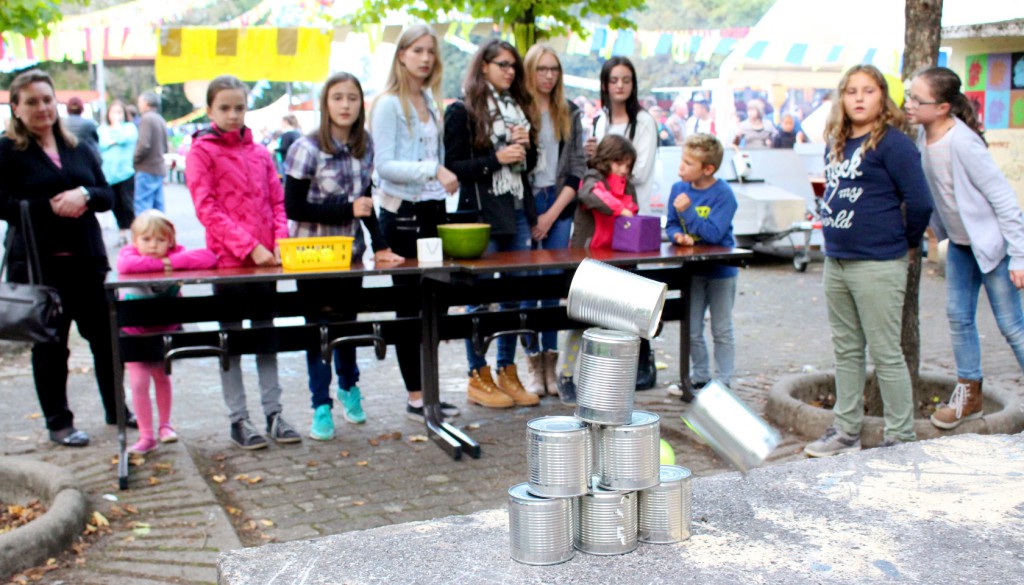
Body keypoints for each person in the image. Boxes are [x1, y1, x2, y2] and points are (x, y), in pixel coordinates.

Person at [803, 65, 933, 458]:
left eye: (869, 91)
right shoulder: (836, 143)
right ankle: (846, 430)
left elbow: (921, 202)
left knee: (885, 352)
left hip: (878, 262)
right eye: (851, 91)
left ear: (882, 98)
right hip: (837, 259)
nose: (859, 98)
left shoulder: (894, 145)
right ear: (842, 98)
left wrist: (906, 244)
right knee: (846, 350)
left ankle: (900, 437)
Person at [0, 69, 134, 447]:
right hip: (41, 268)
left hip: (86, 261)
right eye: (32, 102)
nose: (42, 108)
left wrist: (86, 196)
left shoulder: (78, 147)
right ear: (16, 107)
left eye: (46, 99)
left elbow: (107, 195)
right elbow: (4, 203)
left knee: (106, 340)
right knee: (50, 345)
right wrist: (53, 206)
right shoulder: (7, 151)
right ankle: (59, 423)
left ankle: (117, 409)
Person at [285, 71, 404, 440]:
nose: (345, 105)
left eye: (352, 98)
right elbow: (293, 206)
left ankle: (349, 388)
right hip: (311, 256)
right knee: (317, 332)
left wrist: (381, 246)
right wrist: (346, 208)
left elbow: (366, 203)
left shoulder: (364, 146)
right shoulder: (305, 148)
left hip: (349, 256)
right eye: (338, 98)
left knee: (347, 329)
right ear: (326, 103)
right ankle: (320, 405)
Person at [186, 75, 301, 450]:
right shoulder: (201, 152)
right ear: (210, 111)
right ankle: (239, 418)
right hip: (230, 263)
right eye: (225, 108)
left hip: (266, 262)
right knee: (231, 340)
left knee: (265, 335)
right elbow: (207, 208)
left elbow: (278, 202)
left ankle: (274, 412)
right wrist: (249, 247)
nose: (233, 115)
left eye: (239, 107)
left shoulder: (260, 154)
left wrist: (281, 242)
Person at [905, 66, 1024, 430]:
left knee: (1011, 325)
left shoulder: (964, 142)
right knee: (958, 317)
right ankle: (969, 395)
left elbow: (1004, 201)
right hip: (960, 246)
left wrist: (1019, 255)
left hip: (993, 246)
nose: (909, 104)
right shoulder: (924, 139)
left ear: (942, 107)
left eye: (916, 99)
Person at [370, 24, 463, 422]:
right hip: (401, 213)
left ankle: (431, 390)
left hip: (432, 211)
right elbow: (384, 166)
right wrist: (433, 170)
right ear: (401, 55)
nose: (425, 58)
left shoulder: (429, 101)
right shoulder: (389, 104)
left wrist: (439, 180)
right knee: (409, 306)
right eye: (417, 50)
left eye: (430, 51)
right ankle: (416, 394)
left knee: (436, 303)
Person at [444, 38, 540, 410]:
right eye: (502, 64)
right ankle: (477, 373)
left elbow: (526, 171)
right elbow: (454, 169)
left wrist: (524, 149)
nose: (509, 71)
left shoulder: (518, 110)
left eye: (513, 65)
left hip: (515, 212)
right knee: (478, 300)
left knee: (515, 298)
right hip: (481, 216)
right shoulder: (462, 111)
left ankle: (507, 370)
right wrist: (497, 158)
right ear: (482, 65)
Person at [581, 56, 659, 391]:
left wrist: (618, 172)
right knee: (606, 300)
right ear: (605, 83)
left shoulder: (643, 121)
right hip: (605, 221)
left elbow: (639, 170)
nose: (620, 86)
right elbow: (594, 174)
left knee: (633, 295)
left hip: (630, 213)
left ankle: (642, 359)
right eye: (614, 80)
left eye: (626, 80)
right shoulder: (600, 119)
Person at [116, 211, 217, 454]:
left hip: (164, 330)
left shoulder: (176, 253)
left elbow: (207, 258)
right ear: (135, 240)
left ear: (170, 241)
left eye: (160, 240)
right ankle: (146, 435)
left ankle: (165, 426)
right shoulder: (129, 254)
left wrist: (171, 260)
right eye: (147, 239)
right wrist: (166, 265)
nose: (153, 245)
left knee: (162, 376)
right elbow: (126, 265)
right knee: (139, 382)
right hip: (134, 331)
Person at [519, 43, 587, 399]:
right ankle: (533, 361)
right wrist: (534, 214)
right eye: (541, 69)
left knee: (551, 287)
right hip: (526, 201)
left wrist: (550, 214)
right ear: (530, 71)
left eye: (554, 70)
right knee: (528, 286)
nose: (548, 76)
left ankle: (552, 362)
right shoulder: (519, 110)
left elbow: (577, 169)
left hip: (558, 202)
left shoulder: (569, 112)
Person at [665, 134, 739, 402]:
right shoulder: (677, 188)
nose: (681, 168)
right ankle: (699, 376)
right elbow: (671, 223)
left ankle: (724, 382)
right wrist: (677, 236)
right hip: (691, 271)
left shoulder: (723, 195)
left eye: (688, 163)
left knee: (721, 328)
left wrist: (689, 213)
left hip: (721, 271)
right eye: (682, 161)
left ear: (707, 169)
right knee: (692, 328)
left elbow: (714, 234)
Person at [572, 134, 638, 250]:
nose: (623, 170)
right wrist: (620, 210)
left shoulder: (628, 186)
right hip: (589, 253)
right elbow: (589, 194)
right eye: (618, 164)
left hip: (619, 252)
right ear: (605, 158)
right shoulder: (593, 177)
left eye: (627, 166)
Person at [99, 99, 138, 245]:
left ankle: (134, 233)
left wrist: (115, 131)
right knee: (115, 206)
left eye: (119, 112)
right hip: (109, 175)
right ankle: (122, 233)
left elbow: (124, 138)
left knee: (127, 204)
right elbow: (102, 143)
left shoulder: (130, 127)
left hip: (125, 173)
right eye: (113, 112)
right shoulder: (102, 129)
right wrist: (112, 139)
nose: (116, 115)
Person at [134, 91, 168, 215]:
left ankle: (145, 234)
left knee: (143, 208)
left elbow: (144, 144)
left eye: (140, 102)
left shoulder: (146, 119)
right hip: (158, 167)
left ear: (146, 103)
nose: (138, 105)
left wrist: (134, 159)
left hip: (146, 168)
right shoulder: (160, 119)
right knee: (158, 209)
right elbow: (165, 146)